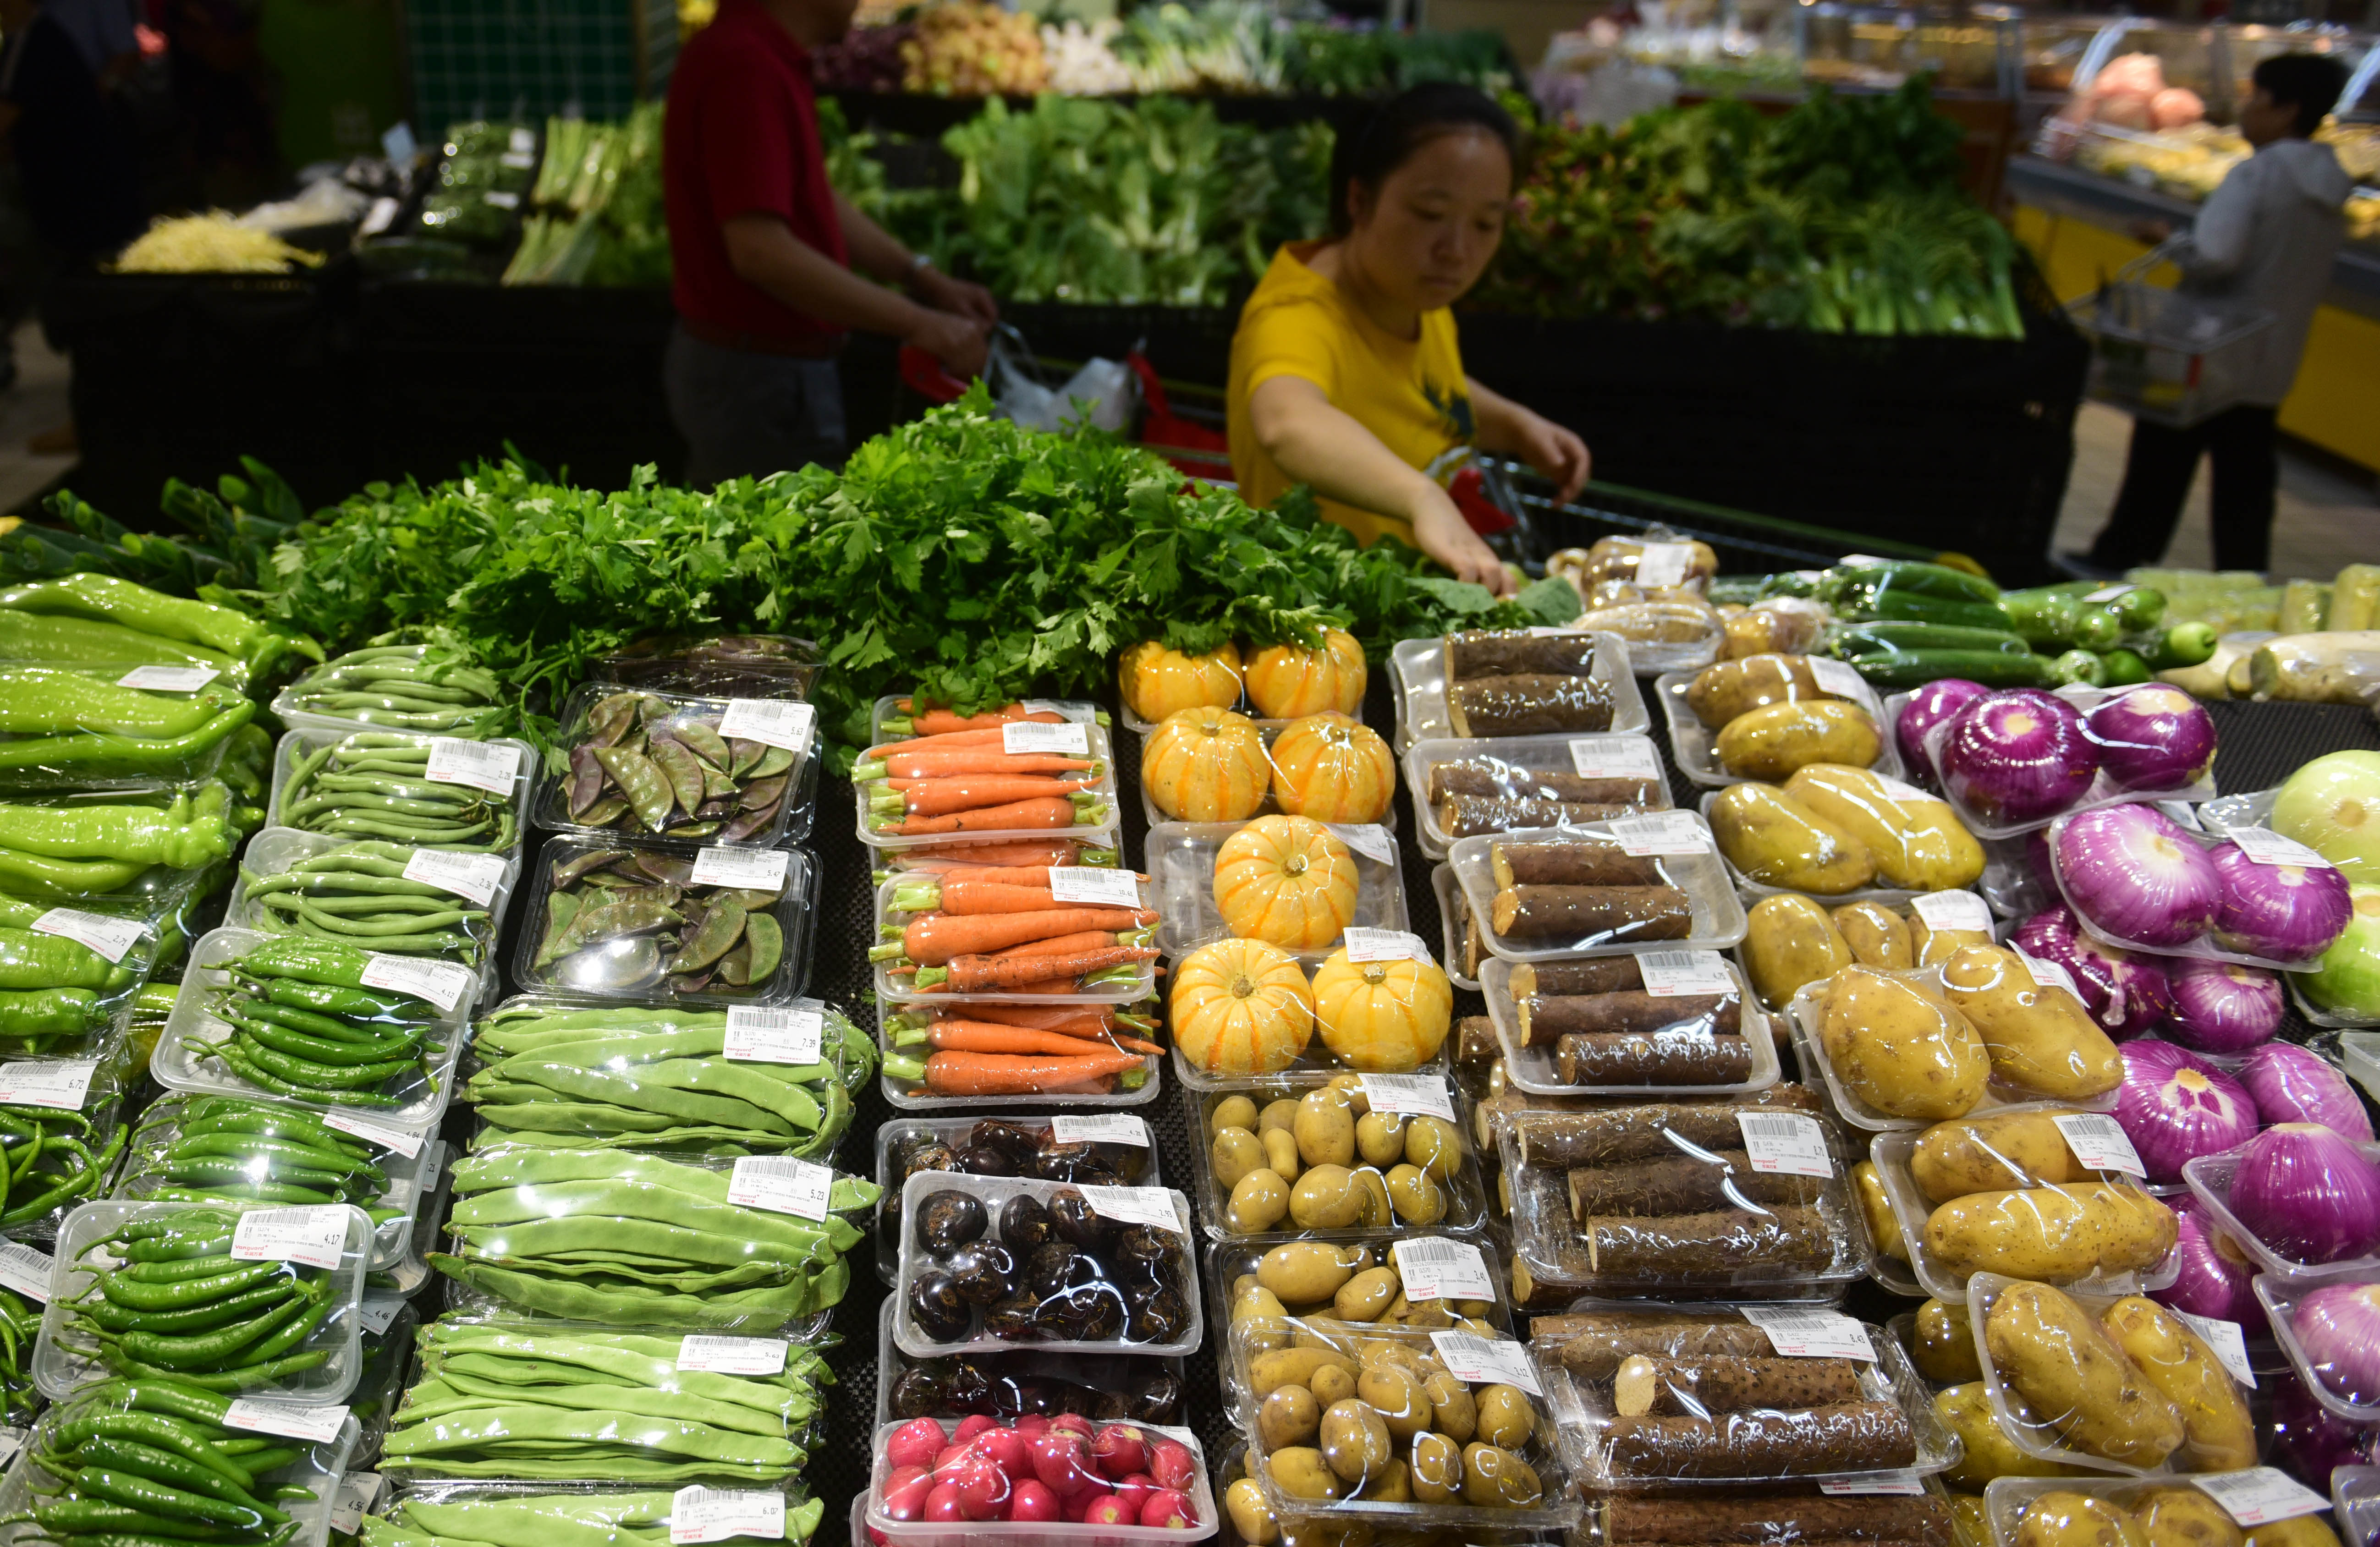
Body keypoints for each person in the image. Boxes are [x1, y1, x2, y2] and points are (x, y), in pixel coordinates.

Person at [1226, 83, 1589, 598]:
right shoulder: (1294, 316)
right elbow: (1288, 420)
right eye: (1429, 215)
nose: (1457, 250)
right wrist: (1422, 498)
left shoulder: (1412, 297)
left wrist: (1512, 424)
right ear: (1359, 200)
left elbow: (1405, 386)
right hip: (1323, 618)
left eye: (1486, 223)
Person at [663, 0, 996, 485]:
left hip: (771, 371)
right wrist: (919, 323)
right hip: (757, 379)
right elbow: (760, 252)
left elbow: (812, 196)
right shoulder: (743, 65)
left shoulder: (762, 55)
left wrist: (923, 279)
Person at [2080, 53, 2353, 576]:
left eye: (2256, 98)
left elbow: (2215, 256)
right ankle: (2244, 579)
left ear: (2287, 109)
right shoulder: (2331, 181)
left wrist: (2166, 238)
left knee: (2161, 455)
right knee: (2245, 479)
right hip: (2270, 354)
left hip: (2209, 343)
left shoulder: (2257, 173)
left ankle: (2118, 559)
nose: (2246, 110)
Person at [0, 0, 143, 264]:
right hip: (77, 193)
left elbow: (6, 116)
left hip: (78, 197)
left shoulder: (31, 40)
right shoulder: (37, 35)